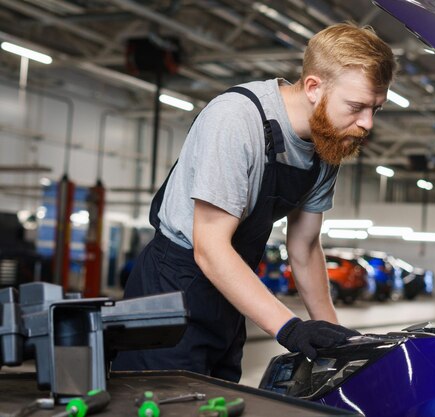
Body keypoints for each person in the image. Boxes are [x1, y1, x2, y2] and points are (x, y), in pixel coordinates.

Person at [112, 22, 397, 382]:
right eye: (357, 106)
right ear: (313, 87)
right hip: (172, 286)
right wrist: (291, 329)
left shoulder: (328, 143)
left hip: (232, 289)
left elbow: (305, 247)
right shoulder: (236, 119)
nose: (367, 123)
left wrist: (338, 341)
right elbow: (210, 247)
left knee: (219, 401)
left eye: (376, 108)